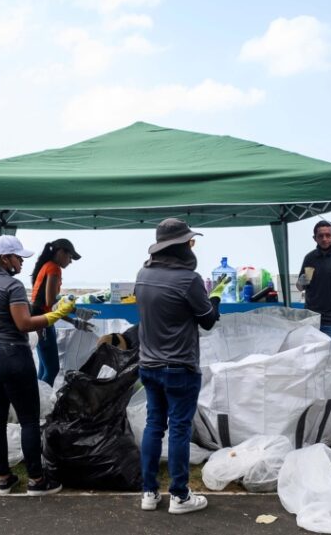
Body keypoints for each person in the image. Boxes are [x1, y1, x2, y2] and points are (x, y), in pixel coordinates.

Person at [0, 235, 78, 496]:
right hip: (11, 355)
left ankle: (4, 479)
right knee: (27, 420)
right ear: (5, 259)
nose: (22, 262)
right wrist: (57, 314)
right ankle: (37, 480)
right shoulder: (11, 286)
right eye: (18, 257)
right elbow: (24, 324)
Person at [134, 218, 227, 514]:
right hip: (180, 367)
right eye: (190, 241)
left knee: (153, 426)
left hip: (148, 364)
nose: (191, 245)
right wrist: (215, 297)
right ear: (180, 246)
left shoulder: (143, 274)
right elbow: (208, 320)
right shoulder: (189, 279)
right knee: (178, 430)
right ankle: (179, 496)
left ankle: (149, 493)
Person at [30, 238, 82, 386]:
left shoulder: (46, 265)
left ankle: (38, 401)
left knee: (44, 367)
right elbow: (51, 303)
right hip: (43, 322)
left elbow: (50, 301)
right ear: (60, 252)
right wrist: (74, 318)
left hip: (38, 320)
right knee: (52, 369)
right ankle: (42, 404)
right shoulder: (53, 268)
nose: (70, 261)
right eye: (70, 257)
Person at [296, 220, 331, 351]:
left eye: (328, 235)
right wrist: (301, 282)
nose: (324, 239)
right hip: (311, 317)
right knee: (310, 357)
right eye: (320, 236)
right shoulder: (309, 258)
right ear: (315, 238)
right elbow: (300, 287)